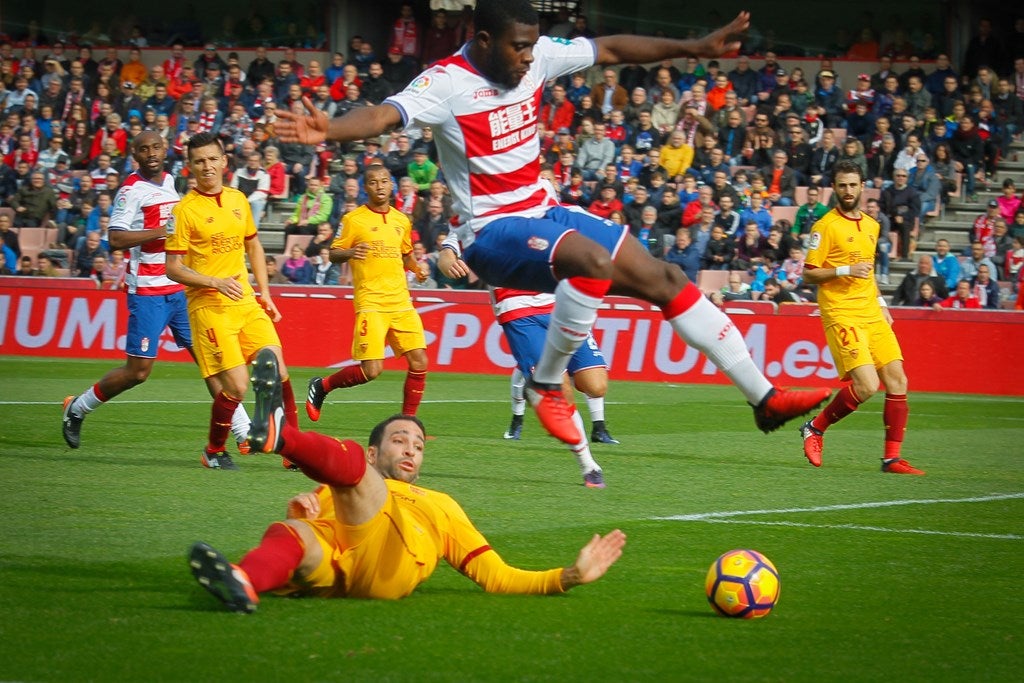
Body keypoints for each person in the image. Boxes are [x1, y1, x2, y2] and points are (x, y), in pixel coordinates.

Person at [276, 2, 830, 448]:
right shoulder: (446, 82)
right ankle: (544, 386)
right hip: (490, 233)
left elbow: (610, 48)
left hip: (544, 209)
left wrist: (695, 48)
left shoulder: (538, 55)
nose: (528, 58)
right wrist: (329, 131)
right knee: (590, 260)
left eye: (532, 46)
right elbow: (384, 115)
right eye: (518, 47)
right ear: (486, 40)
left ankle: (763, 399)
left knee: (663, 278)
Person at [190, 362, 626, 613]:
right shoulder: (340, 484)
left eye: (417, 445)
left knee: (356, 481)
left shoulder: (439, 505)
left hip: (388, 566)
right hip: (335, 568)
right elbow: (308, 524)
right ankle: (244, 580)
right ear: (374, 451)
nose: (411, 450)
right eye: (399, 440)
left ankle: (281, 438)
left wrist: (568, 577)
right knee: (294, 533)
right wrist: (299, 511)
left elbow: (498, 576)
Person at [62, 131, 251, 455]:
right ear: (135, 155)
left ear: (166, 150)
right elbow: (116, 239)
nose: (151, 153)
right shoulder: (130, 191)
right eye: (143, 149)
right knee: (138, 372)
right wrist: (164, 231)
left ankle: (243, 430)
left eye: (156, 147)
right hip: (147, 289)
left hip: (181, 288)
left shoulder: (170, 182)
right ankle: (77, 408)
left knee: (209, 358)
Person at [165, 131, 298, 470]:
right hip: (209, 306)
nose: (207, 166)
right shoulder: (184, 211)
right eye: (199, 161)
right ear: (189, 167)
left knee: (279, 371)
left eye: (212, 159)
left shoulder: (239, 199)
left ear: (225, 161)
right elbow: (173, 268)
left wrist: (265, 291)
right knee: (237, 387)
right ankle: (213, 450)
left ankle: (294, 449)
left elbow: (253, 244)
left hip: (245, 301)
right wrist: (214, 282)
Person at [798, 160, 924, 475]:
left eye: (853, 185)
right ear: (835, 188)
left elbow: (866, 273)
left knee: (898, 379)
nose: (848, 191)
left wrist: (881, 301)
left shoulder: (871, 224)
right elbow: (808, 275)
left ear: (862, 186)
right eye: (842, 185)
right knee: (867, 385)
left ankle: (891, 459)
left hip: (870, 310)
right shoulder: (824, 226)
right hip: (841, 312)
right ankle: (815, 427)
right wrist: (844, 270)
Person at [306, 165, 430, 423]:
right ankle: (322, 386)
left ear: (391, 185)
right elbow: (333, 253)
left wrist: (417, 269)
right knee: (371, 370)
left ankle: (408, 423)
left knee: (419, 361)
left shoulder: (401, 220)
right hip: (371, 302)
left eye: (385, 181)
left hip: (400, 301)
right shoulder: (354, 219)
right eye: (374, 182)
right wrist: (351, 253)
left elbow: (405, 253)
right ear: (366, 187)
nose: (380, 186)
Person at [495, 288, 616, 489]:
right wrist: (449, 257)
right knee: (560, 390)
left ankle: (537, 382)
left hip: (561, 303)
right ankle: (589, 466)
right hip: (518, 307)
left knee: (596, 386)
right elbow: (452, 258)